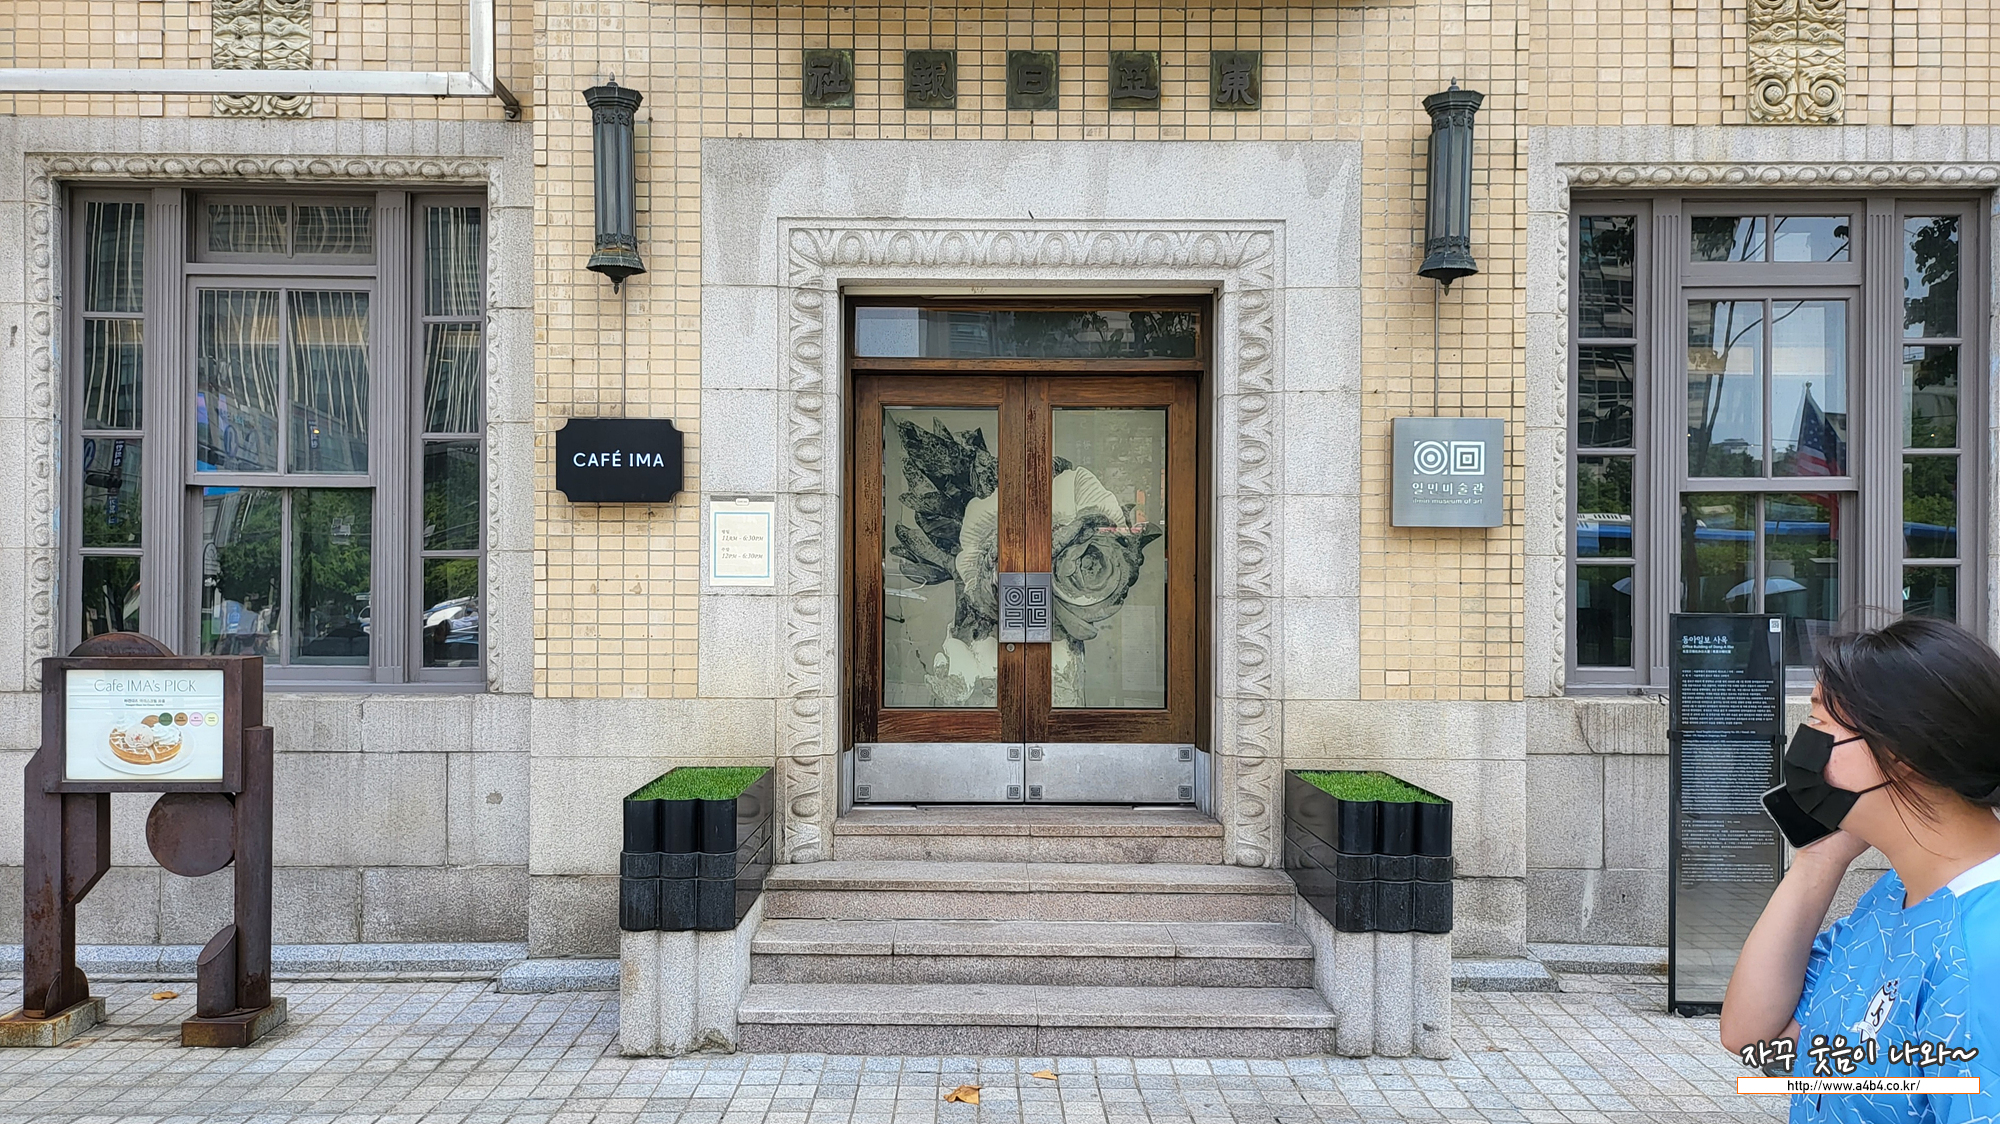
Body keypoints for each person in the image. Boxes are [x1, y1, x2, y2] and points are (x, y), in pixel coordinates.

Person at [1722, 616, 2000, 1124]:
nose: (1804, 745)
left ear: (1902, 750)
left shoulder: (1985, 952)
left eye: (1820, 723)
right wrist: (1819, 859)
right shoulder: (1896, 895)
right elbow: (1755, 1038)